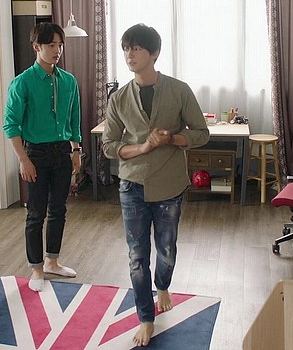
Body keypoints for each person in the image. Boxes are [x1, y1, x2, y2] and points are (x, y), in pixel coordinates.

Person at [102, 23, 209, 346]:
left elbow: (201, 132)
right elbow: (109, 145)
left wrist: (172, 139)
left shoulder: (178, 90)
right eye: (126, 48)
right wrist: (143, 147)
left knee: (167, 251)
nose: (129, 55)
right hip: (131, 184)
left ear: (155, 53)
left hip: (169, 185)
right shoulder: (119, 98)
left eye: (136, 48)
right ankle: (145, 318)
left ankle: (163, 285)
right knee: (137, 255)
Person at [3, 22, 82, 292]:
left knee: (58, 210)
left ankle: (52, 261)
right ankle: (36, 268)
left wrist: (76, 150)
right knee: (36, 213)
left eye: (60, 45)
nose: (57, 50)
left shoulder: (69, 81)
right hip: (35, 154)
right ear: (37, 47)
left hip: (62, 151)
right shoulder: (22, 83)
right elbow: (11, 125)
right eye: (51, 45)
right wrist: (23, 159)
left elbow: (74, 119)